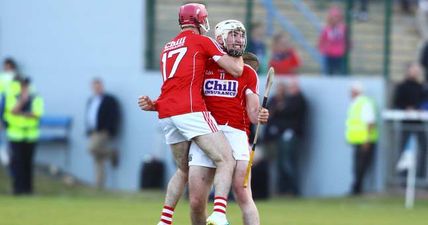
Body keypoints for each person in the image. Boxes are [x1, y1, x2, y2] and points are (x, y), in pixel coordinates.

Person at [138, 3, 244, 225]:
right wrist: (237, 53)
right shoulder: (202, 41)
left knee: (182, 170)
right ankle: (219, 213)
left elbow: (174, 85)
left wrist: (155, 104)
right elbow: (236, 70)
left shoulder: (167, 46)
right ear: (199, 20)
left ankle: (164, 220)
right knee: (225, 159)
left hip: (167, 112)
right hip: (190, 111)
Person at [187, 21, 268, 225]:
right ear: (220, 38)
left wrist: (260, 115)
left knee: (243, 194)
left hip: (236, 133)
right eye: (233, 35)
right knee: (196, 202)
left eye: (241, 35)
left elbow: (252, 112)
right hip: (205, 132)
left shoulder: (248, 73)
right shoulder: (204, 67)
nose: (239, 39)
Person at [263, 80, 306, 196]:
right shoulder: (275, 101)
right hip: (275, 137)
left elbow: (287, 113)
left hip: (288, 136)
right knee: (280, 164)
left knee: (287, 163)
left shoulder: (296, 100)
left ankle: (292, 190)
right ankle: (282, 189)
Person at [4, 77, 44, 195]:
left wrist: (21, 113)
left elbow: (37, 114)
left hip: (31, 135)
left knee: (28, 163)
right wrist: (22, 102)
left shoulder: (36, 97)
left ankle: (28, 190)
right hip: (15, 135)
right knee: (17, 162)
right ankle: (18, 189)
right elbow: (12, 111)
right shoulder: (12, 96)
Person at [86, 78, 121, 189]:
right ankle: (99, 185)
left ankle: (111, 153)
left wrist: (109, 129)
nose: (97, 88)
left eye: (98, 86)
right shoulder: (91, 100)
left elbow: (113, 115)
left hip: (103, 131)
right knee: (98, 159)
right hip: (93, 131)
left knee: (91, 149)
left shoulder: (109, 100)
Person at [394, 63, 427, 178]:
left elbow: (424, 103)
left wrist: (419, 109)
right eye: (413, 70)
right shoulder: (402, 86)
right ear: (408, 71)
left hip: (419, 123)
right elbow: (397, 102)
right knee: (403, 148)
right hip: (406, 123)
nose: (415, 73)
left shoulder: (421, 87)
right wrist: (406, 108)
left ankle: (420, 178)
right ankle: (403, 177)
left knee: (423, 147)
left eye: (417, 71)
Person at [345, 82, 378, 195]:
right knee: (357, 166)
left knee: (361, 166)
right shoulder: (356, 103)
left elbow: (370, 122)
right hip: (357, 140)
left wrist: (367, 139)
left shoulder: (364, 103)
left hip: (364, 140)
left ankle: (357, 189)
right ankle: (356, 188)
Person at [318, 5, 348, 76]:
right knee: (328, 73)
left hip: (340, 55)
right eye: (333, 17)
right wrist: (323, 50)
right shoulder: (326, 29)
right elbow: (322, 40)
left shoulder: (343, 28)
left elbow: (346, 40)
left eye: (337, 17)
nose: (335, 19)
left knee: (339, 74)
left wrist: (345, 48)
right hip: (329, 55)